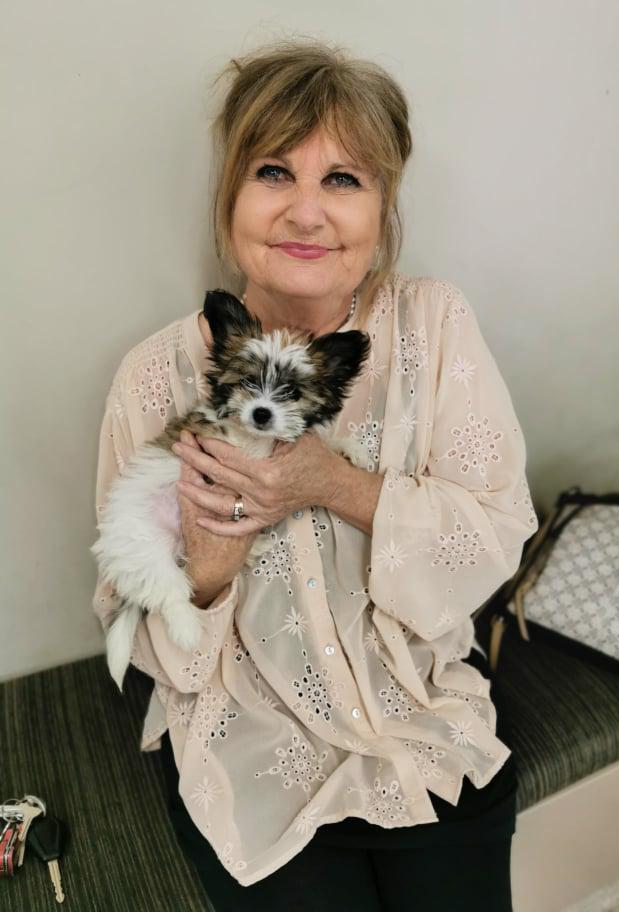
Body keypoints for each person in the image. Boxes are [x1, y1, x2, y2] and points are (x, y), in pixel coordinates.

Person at [92, 37, 539, 911]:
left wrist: (334, 484)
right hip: (249, 747)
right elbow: (136, 622)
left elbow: (495, 533)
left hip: (425, 726)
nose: (306, 213)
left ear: (384, 204)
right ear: (230, 195)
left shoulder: (435, 325)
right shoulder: (154, 376)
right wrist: (210, 566)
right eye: (273, 172)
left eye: (343, 179)